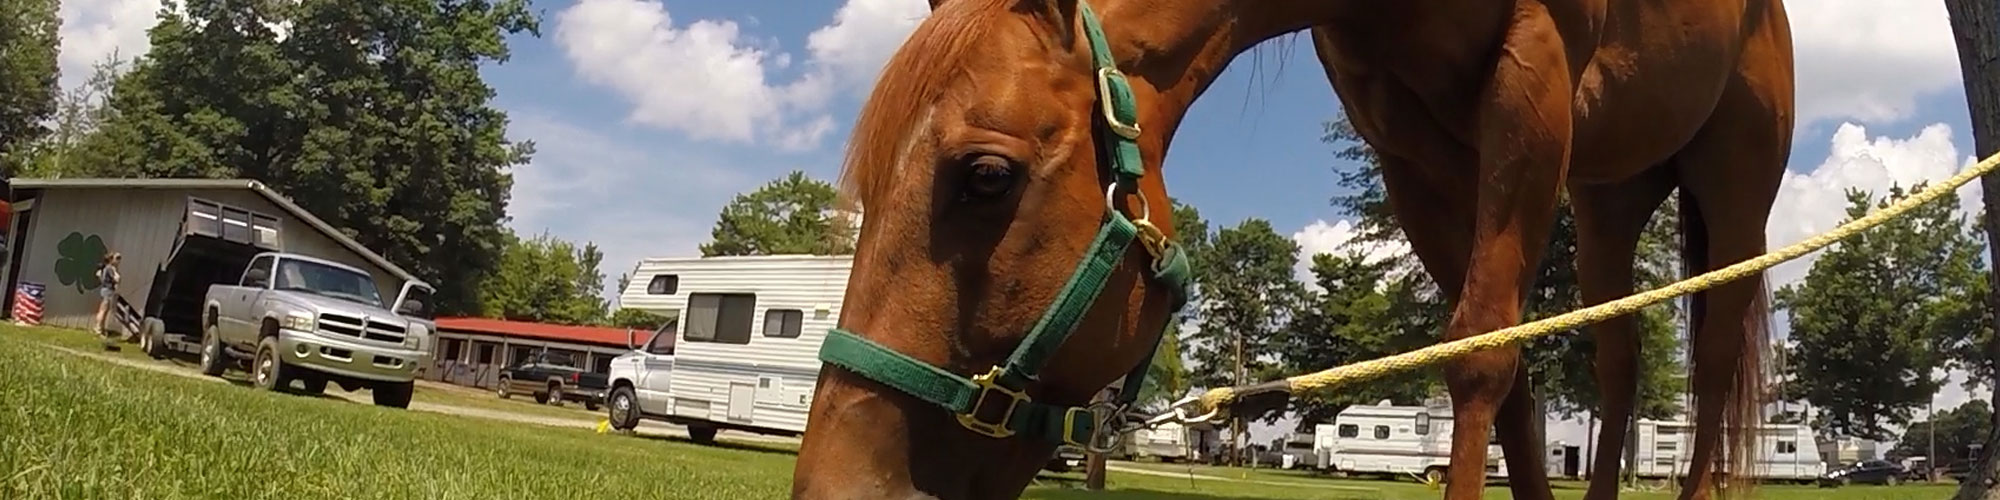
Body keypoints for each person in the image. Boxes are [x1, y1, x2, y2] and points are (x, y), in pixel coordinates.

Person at [93, 252, 122, 350]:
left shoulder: (106, 268)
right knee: (103, 310)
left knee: (103, 310)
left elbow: (100, 278)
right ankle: (98, 329)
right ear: (111, 259)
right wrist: (117, 275)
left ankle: (101, 328)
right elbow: (117, 279)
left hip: (105, 290)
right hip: (108, 291)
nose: (118, 261)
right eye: (116, 258)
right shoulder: (110, 268)